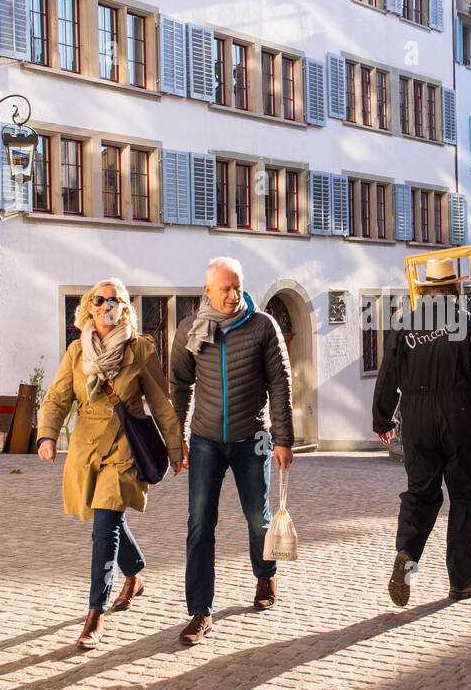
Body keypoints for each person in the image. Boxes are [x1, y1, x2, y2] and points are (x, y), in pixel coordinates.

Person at [36, 278, 185, 650]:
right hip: (87, 449)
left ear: (124, 308)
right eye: (99, 300)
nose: (106, 305)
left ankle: (94, 616)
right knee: (110, 520)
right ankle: (135, 574)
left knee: (104, 529)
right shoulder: (76, 351)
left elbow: (162, 403)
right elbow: (56, 398)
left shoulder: (141, 350)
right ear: (89, 306)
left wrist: (176, 447)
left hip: (124, 448)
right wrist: (47, 435)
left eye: (114, 300)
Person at [170, 257, 293, 645]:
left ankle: (264, 573)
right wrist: (178, 440)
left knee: (258, 517)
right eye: (225, 288)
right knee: (199, 523)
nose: (233, 294)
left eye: (237, 287)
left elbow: (280, 384)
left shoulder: (262, 326)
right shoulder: (190, 330)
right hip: (206, 438)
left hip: (253, 436)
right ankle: (200, 611)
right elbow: (178, 385)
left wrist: (285, 438)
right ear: (207, 291)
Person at [372, 258, 471, 606]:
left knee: (421, 495)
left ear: (428, 291)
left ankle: (408, 556)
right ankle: (461, 582)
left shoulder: (403, 326)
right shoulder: (468, 323)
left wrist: (383, 420)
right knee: (465, 497)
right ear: (455, 290)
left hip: (415, 417)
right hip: (459, 417)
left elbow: (388, 377)